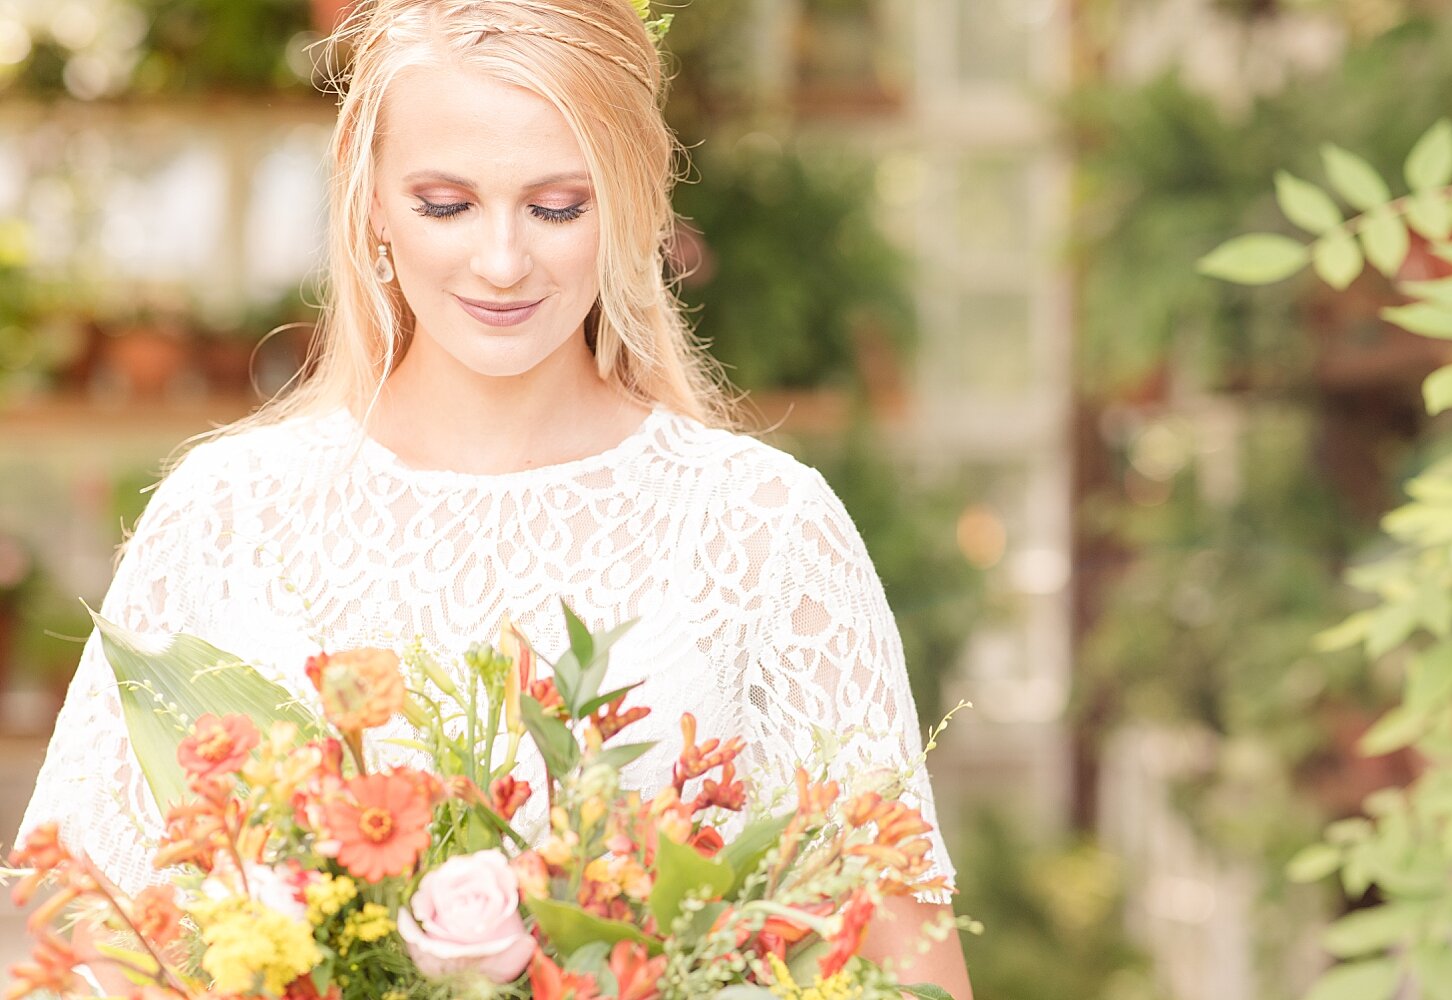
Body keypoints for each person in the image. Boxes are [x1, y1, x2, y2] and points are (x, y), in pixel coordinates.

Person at [17, 1, 973, 995]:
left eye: (558, 206)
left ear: (633, 204)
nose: (504, 260)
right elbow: (88, 944)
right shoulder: (225, 515)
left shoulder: (766, 529)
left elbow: (911, 969)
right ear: (372, 200)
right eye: (446, 203)